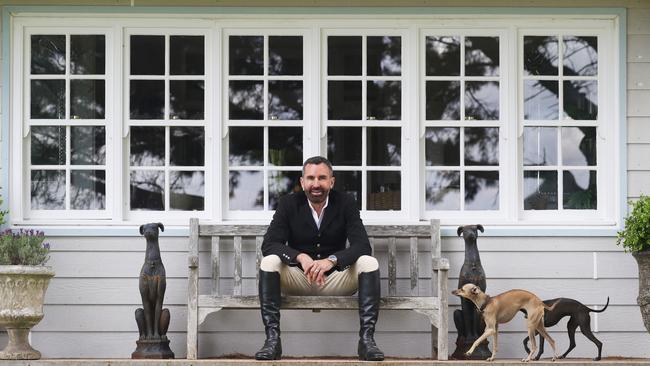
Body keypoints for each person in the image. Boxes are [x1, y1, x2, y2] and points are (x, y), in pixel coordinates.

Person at [255, 156, 384, 361]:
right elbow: (269, 244)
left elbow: (362, 245)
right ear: (302, 182)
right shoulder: (288, 204)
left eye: (322, 178)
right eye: (311, 178)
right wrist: (300, 257)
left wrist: (332, 259)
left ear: (331, 182)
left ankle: (367, 341)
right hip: (298, 278)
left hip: (335, 279)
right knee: (269, 261)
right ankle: (272, 341)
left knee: (369, 262)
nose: (316, 184)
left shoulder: (346, 203)